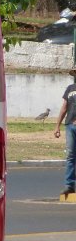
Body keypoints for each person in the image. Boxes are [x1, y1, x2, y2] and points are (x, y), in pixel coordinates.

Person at [53, 66, 76, 196]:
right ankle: (69, 185)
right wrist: (57, 126)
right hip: (70, 126)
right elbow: (64, 108)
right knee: (71, 156)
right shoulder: (70, 88)